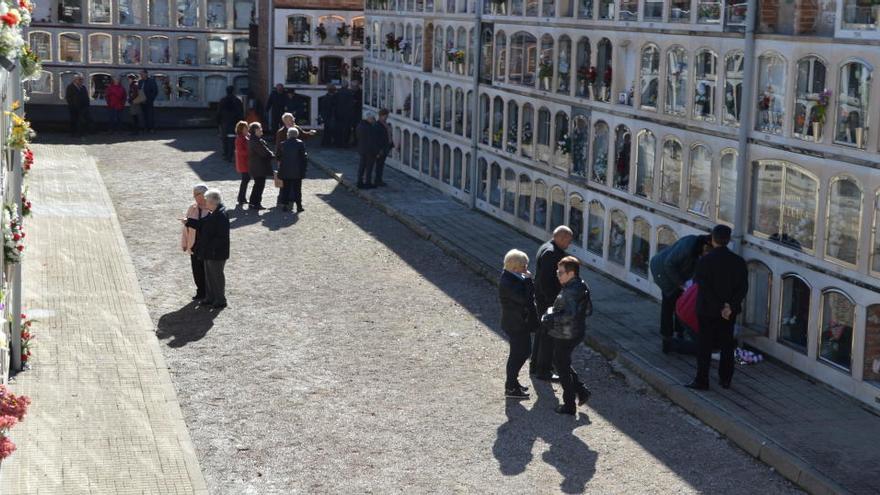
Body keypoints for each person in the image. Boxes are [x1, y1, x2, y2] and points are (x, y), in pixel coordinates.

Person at [686, 225, 748, 391]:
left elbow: (704, 288)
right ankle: (725, 379)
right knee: (727, 345)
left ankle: (702, 380)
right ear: (728, 240)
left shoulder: (705, 261)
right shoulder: (739, 262)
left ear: (713, 239)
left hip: (707, 310)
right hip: (728, 313)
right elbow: (742, 288)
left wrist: (719, 306)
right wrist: (729, 306)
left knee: (704, 346)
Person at [541, 256, 592, 415]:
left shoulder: (570, 291)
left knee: (561, 367)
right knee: (562, 362)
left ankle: (569, 405)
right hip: (575, 331)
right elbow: (588, 310)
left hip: (566, 334)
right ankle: (581, 391)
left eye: (561, 272)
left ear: (571, 273)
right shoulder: (580, 285)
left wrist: (550, 317)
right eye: (558, 271)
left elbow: (569, 314)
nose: (558, 274)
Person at [649, 233, 711, 354]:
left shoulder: (698, 248)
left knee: (681, 303)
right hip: (662, 271)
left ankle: (679, 333)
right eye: (707, 252)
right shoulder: (688, 247)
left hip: (678, 274)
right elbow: (669, 264)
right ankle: (667, 338)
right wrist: (681, 284)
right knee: (669, 303)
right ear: (704, 246)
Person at [532, 226, 573, 380]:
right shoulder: (551, 253)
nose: (568, 245)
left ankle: (536, 365)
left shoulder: (547, 247)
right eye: (567, 241)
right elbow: (545, 280)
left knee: (542, 332)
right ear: (561, 238)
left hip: (543, 299)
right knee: (549, 335)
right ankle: (543, 370)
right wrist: (553, 302)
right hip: (547, 300)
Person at [498, 249, 539, 400]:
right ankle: (510, 386)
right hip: (516, 324)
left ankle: (513, 383)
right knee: (518, 354)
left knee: (523, 352)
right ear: (515, 267)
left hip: (519, 322)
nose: (526, 268)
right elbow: (525, 299)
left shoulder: (512, 276)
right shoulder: (508, 281)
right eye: (524, 266)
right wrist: (528, 281)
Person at [184, 189, 230, 309]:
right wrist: (189, 222)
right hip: (209, 252)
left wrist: (209, 246)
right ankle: (210, 298)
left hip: (216, 253)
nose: (205, 203)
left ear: (213, 202)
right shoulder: (215, 212)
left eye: (207, 201)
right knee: (209, 276)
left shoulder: (220, 215)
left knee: (216, 277)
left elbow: (221, 237)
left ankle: (220, 300)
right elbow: (203, 224)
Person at [182, 184, 211, 300]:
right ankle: (200, 291)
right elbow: (186, 228)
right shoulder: (192, 208)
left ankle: (209, 292)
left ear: (203, 195)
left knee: (208, 270)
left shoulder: (211, 209)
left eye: (196, 195)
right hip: (194, 244)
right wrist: (184, 243)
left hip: (206, 246)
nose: (194, 197)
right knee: (197, 270)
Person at [275, 127, 308, 212]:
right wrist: (304, 170)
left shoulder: (282, 144)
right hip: (297, 171)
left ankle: (285, 206)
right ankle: (299, 206)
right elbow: (304, 158)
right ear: (297, 135)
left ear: (288, 135)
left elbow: (278, 156)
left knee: (286, 189)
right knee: (297, 189)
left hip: (285, 171)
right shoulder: (300, 144)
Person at [246, 122, 275, 210]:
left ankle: (252, 203)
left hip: (257, 166)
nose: (261, 130)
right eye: (259, 128)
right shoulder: (255, 141)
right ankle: (256, 203)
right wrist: (272, 154)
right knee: (259, 185)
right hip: (258, 167)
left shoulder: (255, 140)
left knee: (257, 185)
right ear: (255, 130)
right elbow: (264, 153)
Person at [217, 86, 244, 162]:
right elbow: (241, 113)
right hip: (234, 123)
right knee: (232, 140)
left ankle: (226, 154)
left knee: (225, 139)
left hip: (225, 123)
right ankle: (230, 155)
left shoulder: (222, 100)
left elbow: (219, 113)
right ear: (233, 91)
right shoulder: (237, 101)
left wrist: (218, 122)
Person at [355, 111, 381, 189]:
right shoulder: (369, 128)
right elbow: (372, 141)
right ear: (369, 118)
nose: (374, 120)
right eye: (373, 118)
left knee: (362, 166)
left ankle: (359, 182)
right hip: (369, 151)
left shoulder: (360, 125)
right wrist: (376, 152)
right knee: (369, 168)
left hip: (362, 149)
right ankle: (368, 183)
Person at [374, 108, 393, 187]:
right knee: (379, 165)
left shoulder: (386, 124)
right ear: (381, 116)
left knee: (381, 164)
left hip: (386, 146)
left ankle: (379, 179)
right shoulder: (377, 125)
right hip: (381, 148)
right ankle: (377, 180)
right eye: (385, 116)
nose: (386, 117)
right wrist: (379, 150)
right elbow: (377, 139)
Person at [334, 82, 356, 146]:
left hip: (339, 114)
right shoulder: (349, 93)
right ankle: (345, 142)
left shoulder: (338, 93)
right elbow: (352, 104)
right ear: (347, 86)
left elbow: (335, 103)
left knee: (339, 129)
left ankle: (338, 142)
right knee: (346, 129)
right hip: (347, 114)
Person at [234, 121, 250, 205]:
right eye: (245, 127)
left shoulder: (245, 137)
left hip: (245, 162)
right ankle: (241, 198)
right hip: (243, 163)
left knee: (246, 180)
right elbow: (240, 151)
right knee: (245, 180)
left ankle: (242, 197)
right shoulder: (240, 138)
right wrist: (250, 152)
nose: (247, 129)